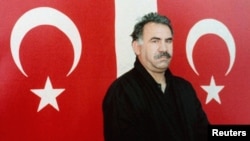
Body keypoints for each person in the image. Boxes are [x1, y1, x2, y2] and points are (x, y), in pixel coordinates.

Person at [102, 12, 210, 141]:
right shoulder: (122, 92)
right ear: (137, 47)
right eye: (155, 41)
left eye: (168, 41)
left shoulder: (184, 88)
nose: (163, 48)